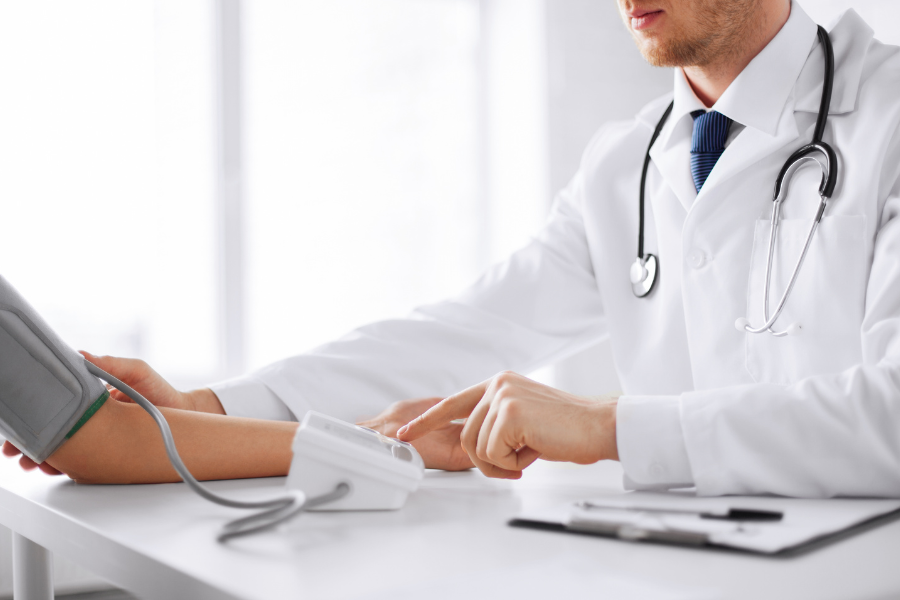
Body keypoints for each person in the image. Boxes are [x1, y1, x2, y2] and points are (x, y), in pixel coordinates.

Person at [7, 0, 900, 496]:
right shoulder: (628, 162)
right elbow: (466, 328)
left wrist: (601, 428)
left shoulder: (889, 114)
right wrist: (209, 406)